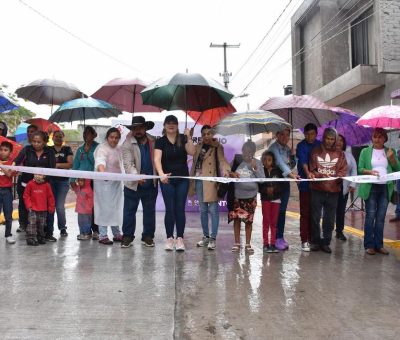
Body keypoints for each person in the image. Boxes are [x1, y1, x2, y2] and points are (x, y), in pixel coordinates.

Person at [154, 115, 196, 252]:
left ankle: (180, 239)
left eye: (174, 123)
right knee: (170, 208)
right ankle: (169, 238)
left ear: (177, 125)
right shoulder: (160, 141)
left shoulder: (183, 139)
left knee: (180, 209)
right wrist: (161, 174)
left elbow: (192, 152)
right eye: (168, 123)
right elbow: (157, 159)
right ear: (165, 125)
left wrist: (189, 137)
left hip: (183, 179)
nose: (171, 125)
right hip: (167, 180)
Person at [358, 128, 400, 255]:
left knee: (381, 217)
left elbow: (398, 168)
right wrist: (369, 172)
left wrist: (392, 159)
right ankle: (369, 245)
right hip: (371, 187)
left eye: (380, 137)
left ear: (385, 139)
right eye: (375, 136)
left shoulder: (390, 151)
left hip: (385, 188)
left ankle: (379, 244)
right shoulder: (365, 151)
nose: (377, 139)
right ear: (372, 138)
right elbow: (360, 169)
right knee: (370, 216)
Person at [188, 125, 230, 250]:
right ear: (201, 135)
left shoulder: (217, 147)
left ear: (212, 134)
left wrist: (227, 171)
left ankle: (213, 238)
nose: (206, 136)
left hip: (211, 182)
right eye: (204, 134)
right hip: (199, 181)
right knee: (203, 210)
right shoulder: (197, 147)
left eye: (209, 133)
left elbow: (223, 161)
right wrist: (189, 137)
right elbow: (190, 153)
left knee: (213, 210)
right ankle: (205, 236)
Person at [121, 116, 158, 248]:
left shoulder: (154, 141)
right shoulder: (126, 144)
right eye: (135, 128)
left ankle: (148, 236)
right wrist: (137, 177)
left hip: (150, 184)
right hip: (133, 184)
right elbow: (128, 164)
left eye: (140, 128)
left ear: (145, 128)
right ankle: (127, 237)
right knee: (129, 212)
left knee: (149, 211)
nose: (138, 131)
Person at [309, 127, 347, 253]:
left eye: (332, 139)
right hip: (317, 190)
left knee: (329, 219)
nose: (329, 141)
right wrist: (321, 176)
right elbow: (312, 170)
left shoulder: (340, 154)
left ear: (335, 140)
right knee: (315, 217)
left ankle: (326, 242)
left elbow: (343, 170)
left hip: (333, 191)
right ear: (323, 138)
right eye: (327, 138)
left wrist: (338, 177)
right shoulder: (316, 151)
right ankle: (315, 241)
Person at [14, 131, 56, 235]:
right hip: (26, 184)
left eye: (39, 142)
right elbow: (16, 161)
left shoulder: (50, 151)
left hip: (43, 185)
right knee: (25, 206)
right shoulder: (26, 149)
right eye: (34, 141)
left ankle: (44, 231)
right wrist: (11, 167)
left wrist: (43, 178)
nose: (36, 144)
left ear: (45, 142)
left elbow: (52, 168)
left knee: (42, 207)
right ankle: (25, 226)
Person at [229, 140, 264, 254]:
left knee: (249, 221)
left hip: (251, 197)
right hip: (238, 196)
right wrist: (232, 174)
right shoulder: (237, 161)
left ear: (253, 152)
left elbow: (262, 180)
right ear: (242, 151)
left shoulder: (257, 163)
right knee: (237, 220)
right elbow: (228, 172)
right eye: (245, 152)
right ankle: (237, 243)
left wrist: (255, 169)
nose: (247, 154)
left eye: (250, 152)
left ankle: (248, 244)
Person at [93, 127, 124, 245]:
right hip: (103, 183)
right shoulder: (101, 148)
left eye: (117, 138)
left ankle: (117, 234)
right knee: (104, 208)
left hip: (116, 183)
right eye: (111, 137)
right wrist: (103, 173)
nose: (114, 140)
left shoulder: (120, 149)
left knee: (116, 208)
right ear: (107, 137)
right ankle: (103, 235)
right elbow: (100, 162)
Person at [296, 123, 321, 252]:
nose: (309, 136)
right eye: (307, 134)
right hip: (305, 185)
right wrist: (308, 174)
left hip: (318, 186)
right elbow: (303, 162)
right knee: (305, 213)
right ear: (304, 134)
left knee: (315, 214)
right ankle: (304, 240)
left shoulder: (320, 145)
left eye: (312, 134)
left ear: (316, 134)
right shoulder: (300, 146)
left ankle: (314, 239)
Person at [71, 126, 99, 239]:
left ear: (94, 135)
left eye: (88, 133)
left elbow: (97, 162)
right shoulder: (80, 149)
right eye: (84, 134)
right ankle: (85, 231)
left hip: (95, 180)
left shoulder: (98, 147)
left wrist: (88, 153)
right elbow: (75, 165)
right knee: (84, 207)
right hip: (82, 181)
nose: (86, 136)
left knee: (95, 206)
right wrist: (72, 180)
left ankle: (96, 230)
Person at [46, 130, 73, 239]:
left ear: (63, 138)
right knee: (51, 205)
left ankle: (62, 228)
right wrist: (62, 164)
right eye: (56, 136)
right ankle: (49, 229)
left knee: (59, 206)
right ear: (52, 138)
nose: (58, 138)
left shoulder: (67, 149)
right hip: (50, 181)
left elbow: (70, 164)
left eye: (60, 136)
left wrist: (57, 165)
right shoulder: (48, 149)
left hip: (63, 182)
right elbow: (47, 164)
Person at [259, 151, 283, 253]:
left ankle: (273, 244)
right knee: (266, 221)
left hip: (276, 199)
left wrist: (274, 190)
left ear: (273, 161)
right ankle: (265, 244)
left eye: (269, 160)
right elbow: (259, 186)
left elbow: (282, 184)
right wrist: (266, 190)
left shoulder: (277, 171)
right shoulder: (260, 171)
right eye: (264, 159)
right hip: (265, 199)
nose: (266, 162)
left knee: (274, 222)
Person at [335, 134, 357, 241]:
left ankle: (339, 231)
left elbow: (354, 170)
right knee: (329, 211)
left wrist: (352, 184)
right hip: (330, 187)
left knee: (341, 210)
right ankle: (327, 232)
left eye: (341, 141)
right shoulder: (329, 154)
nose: (339, 142)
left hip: (344, 188)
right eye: (337, 140)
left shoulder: (349, 156)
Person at [23, 174, 55, 246]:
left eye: (40, 175)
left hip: (43, 209)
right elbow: (26, 195)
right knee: (32, 223)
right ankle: (30, 238)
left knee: (42, 224)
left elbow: (50, 197)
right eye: (36, 174)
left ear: (44, 176)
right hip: (32, 209)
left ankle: (40, 236)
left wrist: (51, 207)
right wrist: (29, 206)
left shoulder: (47, 185)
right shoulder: (30, 184)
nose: (37, 176)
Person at [0, 141, 16, 244]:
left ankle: (8, 234)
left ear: (10, 152)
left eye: (5, 150)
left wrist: (1, 165)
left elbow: (9, 175)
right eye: (1, 149)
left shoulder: (12, 163)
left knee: (8, 213)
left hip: (7, 191)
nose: (2, 152)